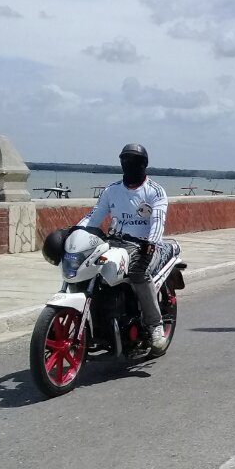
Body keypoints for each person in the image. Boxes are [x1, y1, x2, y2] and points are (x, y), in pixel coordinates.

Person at [76, 144, 170, 355]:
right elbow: (95, 216)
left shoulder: (155, 191)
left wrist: (151, 243)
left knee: (138, 274)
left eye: (134, 161)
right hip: (115, 242)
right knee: (88, 270)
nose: (129, 164)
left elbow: (158, 221)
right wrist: (75, 230)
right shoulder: (112, 190)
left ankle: (155, 326)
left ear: (144, 164)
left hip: (143, 244)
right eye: (125, 160)